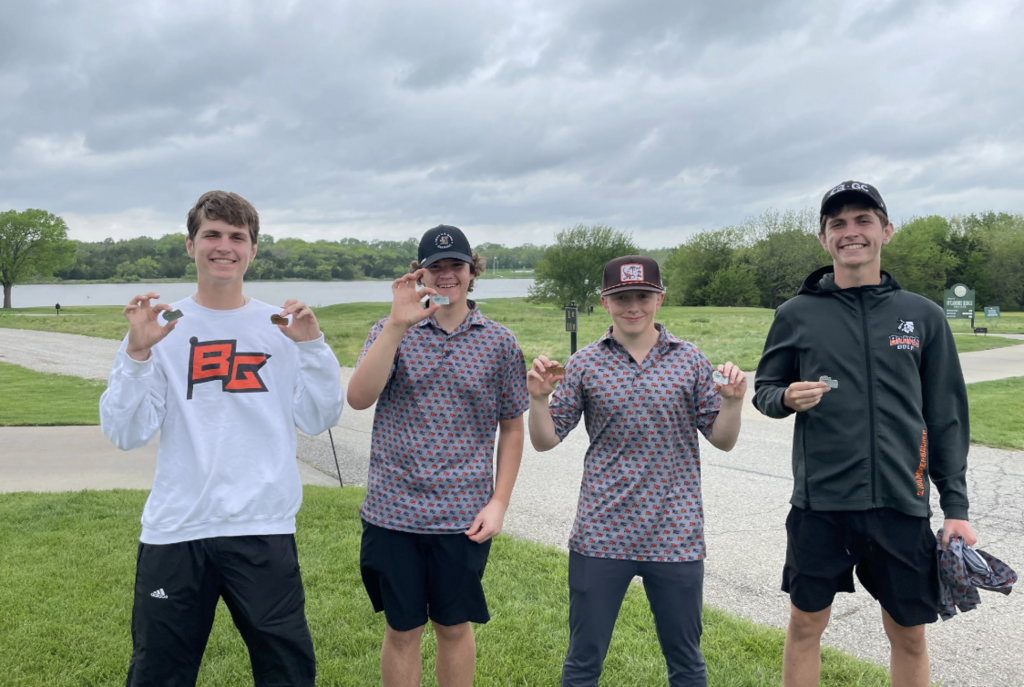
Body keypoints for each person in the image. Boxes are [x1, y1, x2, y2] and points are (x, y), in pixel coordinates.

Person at [100, 190, 343, 686]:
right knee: (158, 673)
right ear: (190, 245)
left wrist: (315, 347)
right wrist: (136, 355)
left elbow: (319, 416)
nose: (224, 246)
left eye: (238, 236)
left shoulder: (282, 326)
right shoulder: (161, 327)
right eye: (212, 234)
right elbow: (125, 432)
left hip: (262, 524)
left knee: (286, 672)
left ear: (253, 249)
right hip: (177, 528)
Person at [753, 181, 977, 687]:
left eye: (863, 221)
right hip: (820, 504)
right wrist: (786, 397)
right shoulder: (796, 314)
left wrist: (956, 507)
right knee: (806, 624)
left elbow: (945, 417)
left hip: (901, 504)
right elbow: (764, 391)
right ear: (823, 238)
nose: (850, 232)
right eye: (838, 224)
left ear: (886, 232)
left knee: (910, 634)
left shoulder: (923, 317)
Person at [526, 255, 746, 687]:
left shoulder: (689, 360)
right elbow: (546, 439)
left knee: (686, 661)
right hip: (601, 532)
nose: (633, 306)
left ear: (659, 299)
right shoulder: (586, 363)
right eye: (621, 297)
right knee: (583, 660)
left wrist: (734, 404)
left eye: (642, 296)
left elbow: (721, 438)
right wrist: (537, 400)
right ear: (605, 302)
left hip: (676, 532)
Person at [347, 225, 529, 687]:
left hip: (462, 515)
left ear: (472, 273)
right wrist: (395, 324)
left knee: (454, 626)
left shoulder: (499, 341)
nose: (447, 275)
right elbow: (359, 397)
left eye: (456, 266)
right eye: (436, 267)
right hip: (392, 511)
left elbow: (511, 428)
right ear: (420, 274)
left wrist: (499, 503)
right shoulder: (391, 330)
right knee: (401, 629)